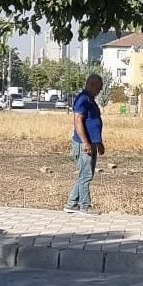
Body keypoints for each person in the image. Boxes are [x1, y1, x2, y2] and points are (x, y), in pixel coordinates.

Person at [64, 73, 104, 215]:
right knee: (86, 176)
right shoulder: (83, 99)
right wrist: (86, 143)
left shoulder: (90, 99)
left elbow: (93, 122)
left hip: (91, 143)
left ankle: (71, 204)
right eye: (98, 88)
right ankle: (85, 206)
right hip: (83, 144)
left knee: (84, 175)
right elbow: (78, 120)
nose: (99, 91)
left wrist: (98, 142)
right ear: (91, 84)